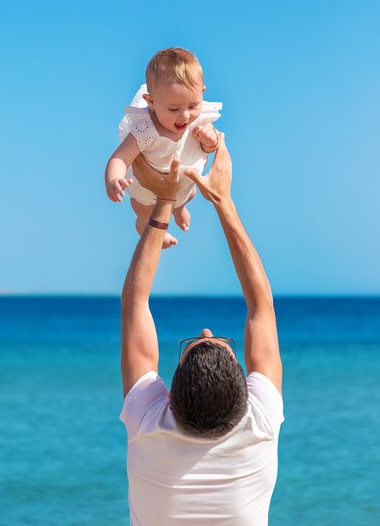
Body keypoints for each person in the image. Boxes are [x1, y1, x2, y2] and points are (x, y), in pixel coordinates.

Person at [119, 134, 284, 526]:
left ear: (170, 395)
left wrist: (165, 200)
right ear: (246, 394)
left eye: (195, 343)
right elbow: (261, 307)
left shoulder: (150, 422)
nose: (208, 330)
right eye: (222, 343)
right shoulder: (258, 421)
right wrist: (223, 201)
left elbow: (135, 303)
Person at [104, 47, 222, 248]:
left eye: (192, 106)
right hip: (149, 192)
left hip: (183, 182)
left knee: (190, 193)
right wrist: (114, 179)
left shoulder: (200, 119)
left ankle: (178, 209)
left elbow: (208, 149)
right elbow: (120, 158)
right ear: (151, 102)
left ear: (202, 93)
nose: (185, 115)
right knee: (143, 210)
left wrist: (211, 141)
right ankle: (146, 228)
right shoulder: (146, 129)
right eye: (173, 109)